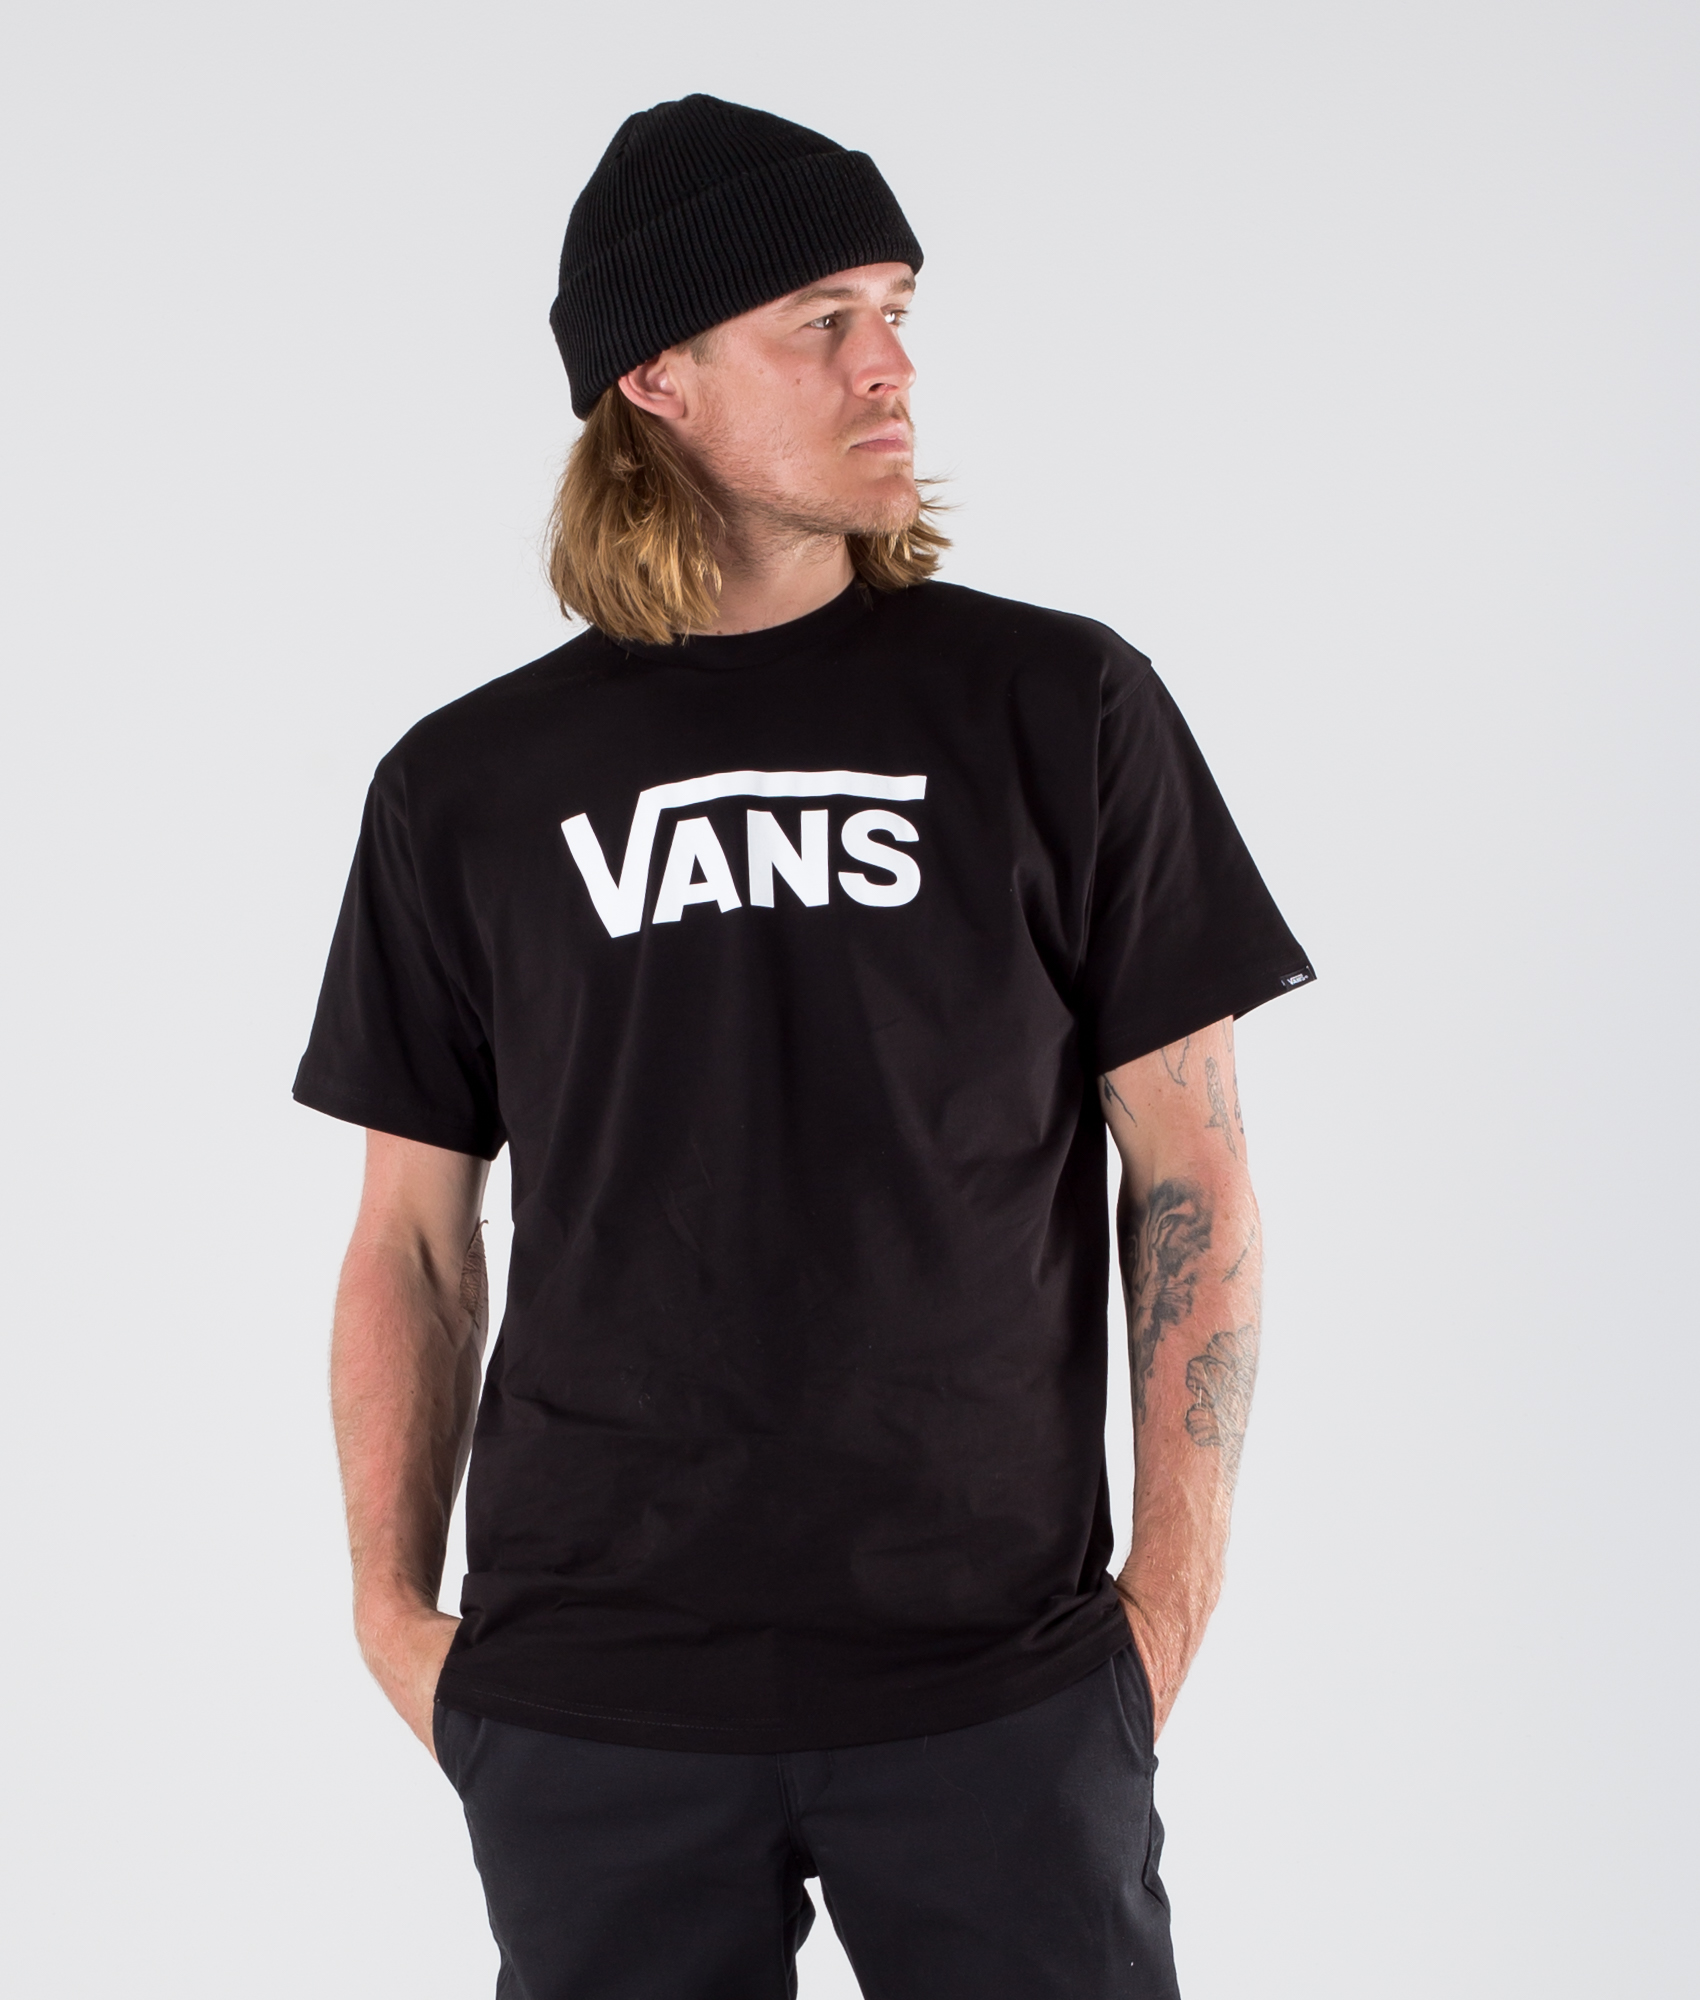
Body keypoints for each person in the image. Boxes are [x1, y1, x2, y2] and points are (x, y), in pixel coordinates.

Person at [295, 92, 1314, 2000]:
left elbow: (1193, 1174)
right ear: (655, 378)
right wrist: (389, 1617)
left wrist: (1160, 1615)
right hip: (592, 1701)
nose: (890, 365)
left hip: (998, 1685)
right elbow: (413, 1240)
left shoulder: (1060, 706)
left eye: (898, 309)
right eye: (821, 321)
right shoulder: (466, 785)